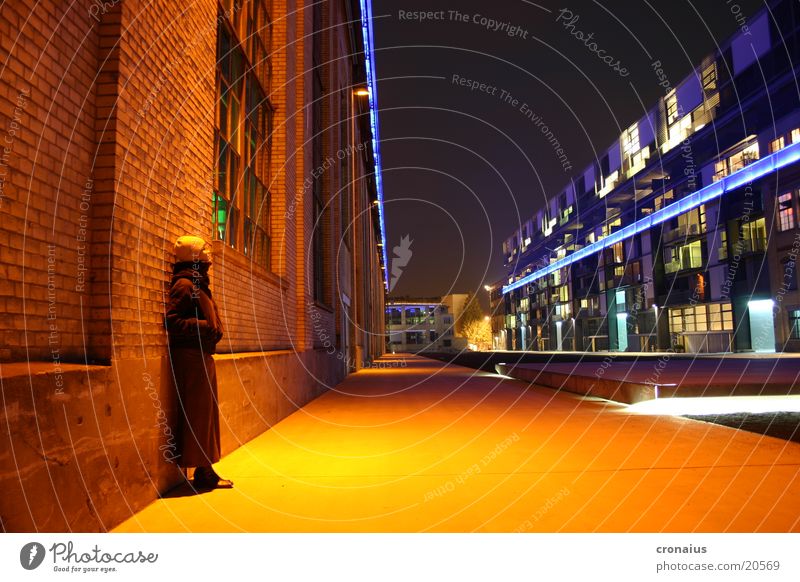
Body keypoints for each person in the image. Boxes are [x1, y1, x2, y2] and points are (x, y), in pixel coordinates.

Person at [165, 235, 233, 489]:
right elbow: (172, 322)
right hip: (191, 358)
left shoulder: (198, 284)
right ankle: (203, 472)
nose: (209, 255)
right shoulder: (184, 285)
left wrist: (212, 328)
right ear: (193, 256)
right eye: (203, 250)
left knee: (206, 416)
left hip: (201, 355)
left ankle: (205, 468)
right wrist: (206, 327)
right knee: (199, 415)